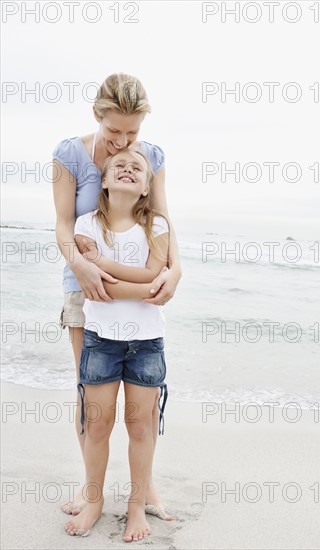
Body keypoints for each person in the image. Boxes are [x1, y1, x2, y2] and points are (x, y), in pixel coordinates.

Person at [52, 73, 181, 519]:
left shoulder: (150, 158)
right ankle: (93, 493)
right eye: (114, 132)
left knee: (141, 411)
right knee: (92, 398)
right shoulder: (69, 155)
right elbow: (64, 226)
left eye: (133, 133)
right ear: (96, 116)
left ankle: (145, 491)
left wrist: (175, 269)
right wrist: (83, 266)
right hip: (81, 284)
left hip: (136, 293)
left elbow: (161, 218)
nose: (123, 142)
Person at [65, 149, 170, 541]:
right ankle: (94, 500)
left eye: (137, 168)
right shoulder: (86, 224)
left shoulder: (157, 225)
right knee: (97, 424)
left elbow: (155, 273)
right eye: (118, 167)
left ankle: (136, 506)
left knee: (140, 427)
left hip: (146, 344)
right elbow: (105, 290)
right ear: (104, 182)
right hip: (100, 341)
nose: (127, 169)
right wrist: (145, 283)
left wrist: (108, 267)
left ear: (146, 187)